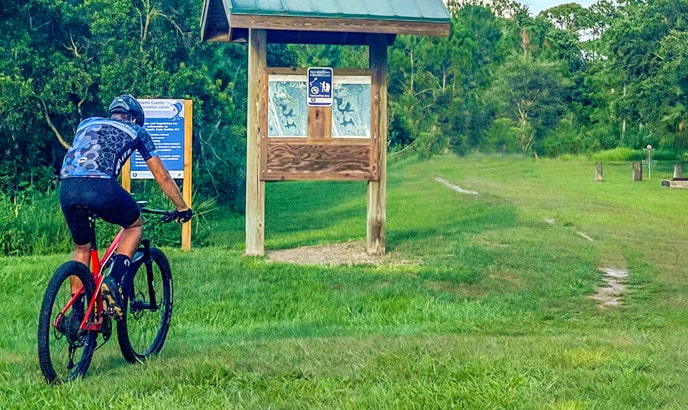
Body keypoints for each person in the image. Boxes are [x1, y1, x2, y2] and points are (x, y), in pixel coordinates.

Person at [59, 94, 192, 319]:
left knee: (82, 248)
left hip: (67, 187)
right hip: (101, 187)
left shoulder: (87, 122)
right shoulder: (137, 131)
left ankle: (76, 315)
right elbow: (162, 176)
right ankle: (114, 280)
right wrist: (182, 208)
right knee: (133, 225)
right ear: (133, 118)